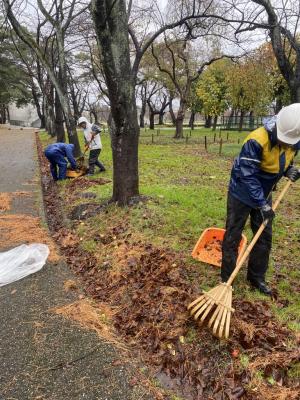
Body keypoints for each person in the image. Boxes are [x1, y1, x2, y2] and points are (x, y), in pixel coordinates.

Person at [221, 103, 300, 296]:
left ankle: (256, 277)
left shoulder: (295, 138)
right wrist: (262, 204)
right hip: (242, 191)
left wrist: (287, 170)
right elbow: (247, 175)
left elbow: (284, 159)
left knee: (264, 236)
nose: (289, 145)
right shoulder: (256, 140)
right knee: (233, 235)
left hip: (264, 192)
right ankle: (226, 280)